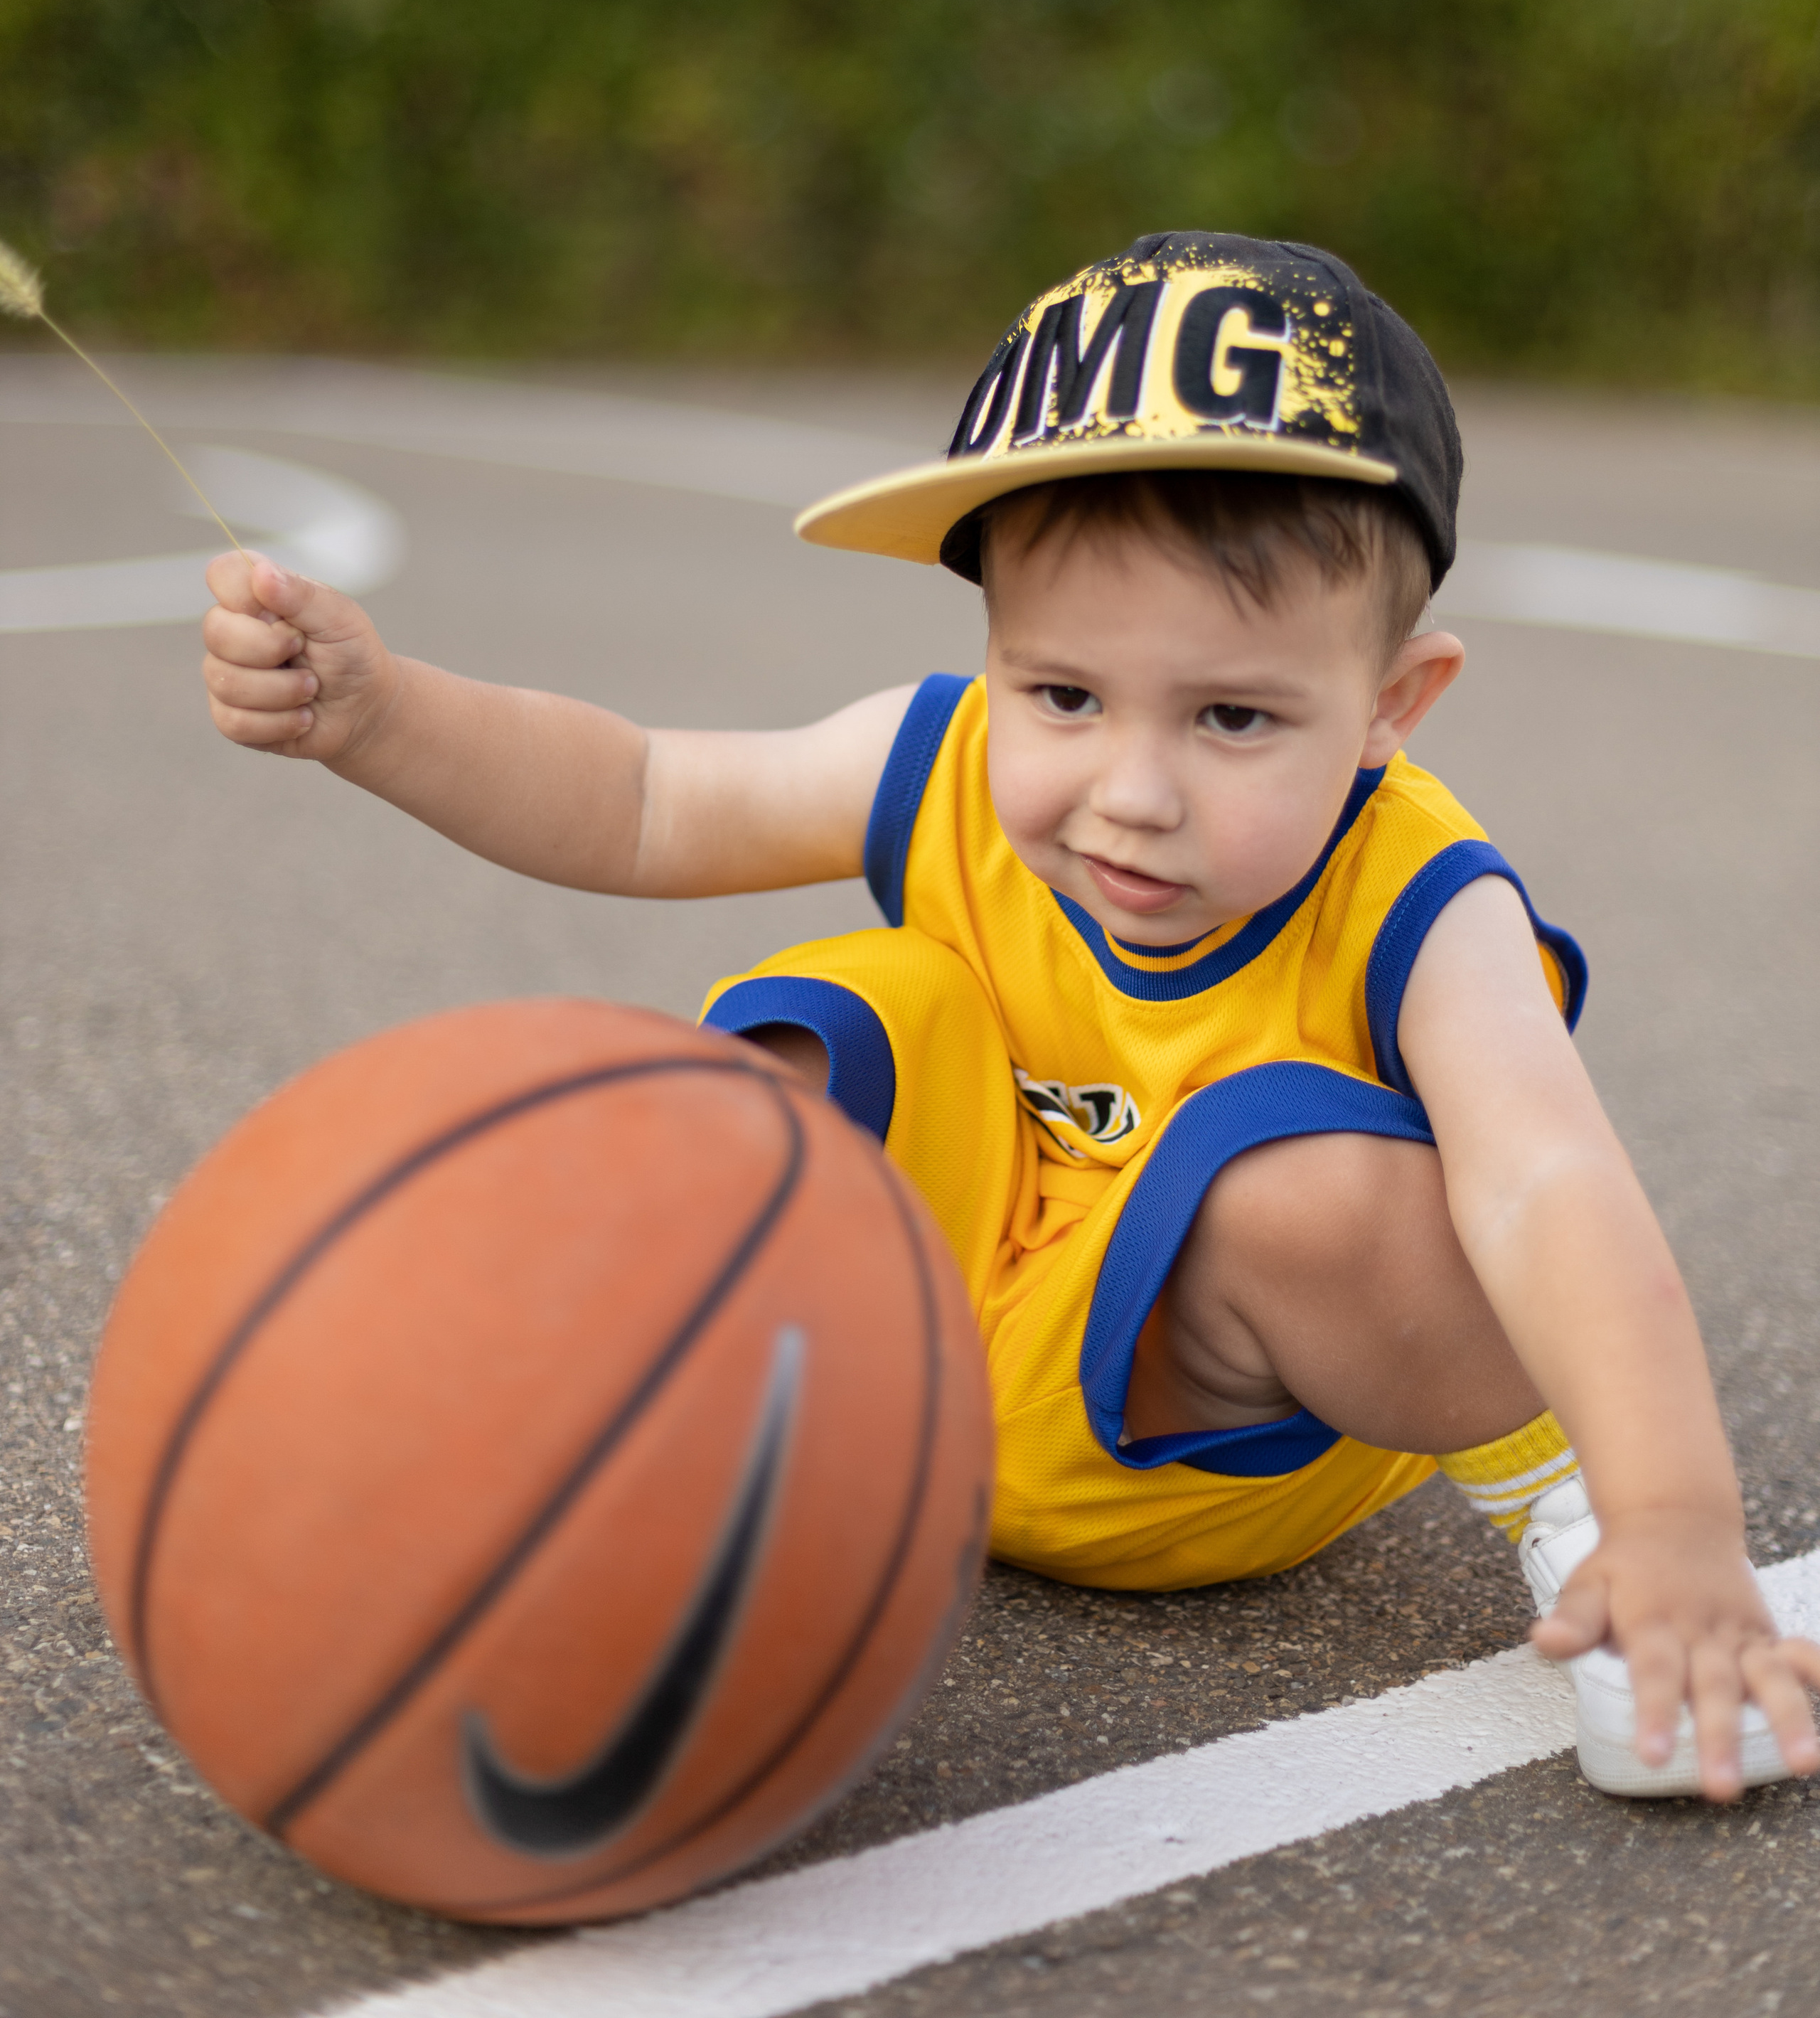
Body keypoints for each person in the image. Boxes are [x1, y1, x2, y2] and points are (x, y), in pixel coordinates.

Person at [198, 229, 1820, 1803]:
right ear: (993, 656)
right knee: (851, 1008)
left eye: (1231, 717)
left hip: (1187, 1437)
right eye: (1064, 695)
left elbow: (1546, 1179)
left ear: (1390, 706)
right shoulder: (954, 764)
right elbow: (641, 799)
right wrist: (382, 716)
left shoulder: (1422, 901)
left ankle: (1578, 1521)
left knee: (1309, 1180)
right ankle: (670, 1423)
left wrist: (1674, 1517)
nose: (1131, 791)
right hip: (929, 1366)